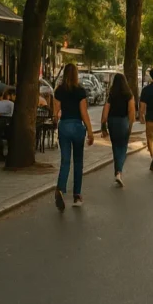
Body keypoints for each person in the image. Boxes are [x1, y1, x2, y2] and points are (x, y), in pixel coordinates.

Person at [52, 64, 94, 209]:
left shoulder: (59, 90)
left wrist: (57, 123)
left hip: (64, 126)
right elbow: (84, 113)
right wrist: (90, 131)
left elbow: (56, 112)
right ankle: (77, 195)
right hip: (77, 126)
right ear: (76, 74)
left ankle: (60, 188)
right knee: (78, 162)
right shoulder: (80, 91)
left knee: (65, 160)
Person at [101, 72, 135, 188]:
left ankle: (117, 172)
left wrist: (103, 126)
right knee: (123, 147)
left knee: (115, 146)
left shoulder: (111, 95)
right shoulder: (129, 95)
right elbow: (131, 111)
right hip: (123, 121)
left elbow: (105, 110)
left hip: (112, 122)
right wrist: (130, 125)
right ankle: (119, 172)